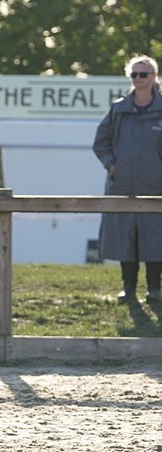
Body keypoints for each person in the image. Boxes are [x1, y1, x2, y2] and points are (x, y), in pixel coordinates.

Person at [93, 54, 162, 303]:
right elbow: (100, 142)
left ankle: (155, 288)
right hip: (122, 186)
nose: (138, 79)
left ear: (153, 77)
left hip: (156, 188)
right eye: (133, 74)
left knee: (156, 238)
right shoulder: (118, 109)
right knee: (126, 237)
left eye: (142, 74)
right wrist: (111, 165)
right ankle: (128, 288)